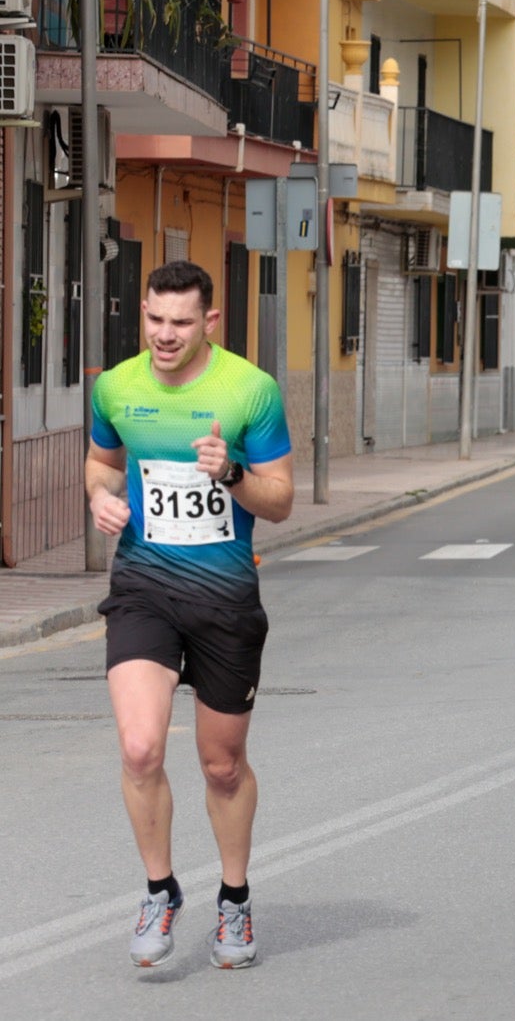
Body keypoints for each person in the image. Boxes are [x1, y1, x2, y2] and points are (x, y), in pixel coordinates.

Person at [86, 260, 294, 970]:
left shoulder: (249, 391)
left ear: (210, 321)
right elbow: (101, 463)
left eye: (180, 322)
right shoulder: (116, 386)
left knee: (222, 764)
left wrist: (233, 473)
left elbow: (282, 499)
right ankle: (158, 889)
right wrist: (100, 498)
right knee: (140, 747)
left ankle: (233, 902)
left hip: (225, 599)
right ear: (142, 313)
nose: (164, 335)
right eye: (154, 320)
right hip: (143, 586)